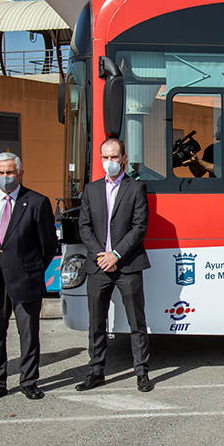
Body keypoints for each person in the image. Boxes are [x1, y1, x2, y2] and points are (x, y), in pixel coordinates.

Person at [0, 152, 57, 402]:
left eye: (10, 172)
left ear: (20, 173)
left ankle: (29, 381)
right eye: (0, 173)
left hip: (26, 279)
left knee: (29, 335)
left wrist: (32, 268)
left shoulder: (36, 202)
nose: (5, 177)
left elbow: (48, 244)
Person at [76, 138, 153, 392]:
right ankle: (96, 371)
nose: (109, 162)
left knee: (136, 322)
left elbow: (139, 227)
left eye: (113, 157)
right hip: (98, 265)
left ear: (124, 158)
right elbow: (84, 227)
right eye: (104, 158)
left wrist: (116, 254)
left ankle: (142, 373)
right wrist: (101, 254)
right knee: (96, 322)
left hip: (127, 264)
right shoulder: (91, 190)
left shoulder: (136, 189)